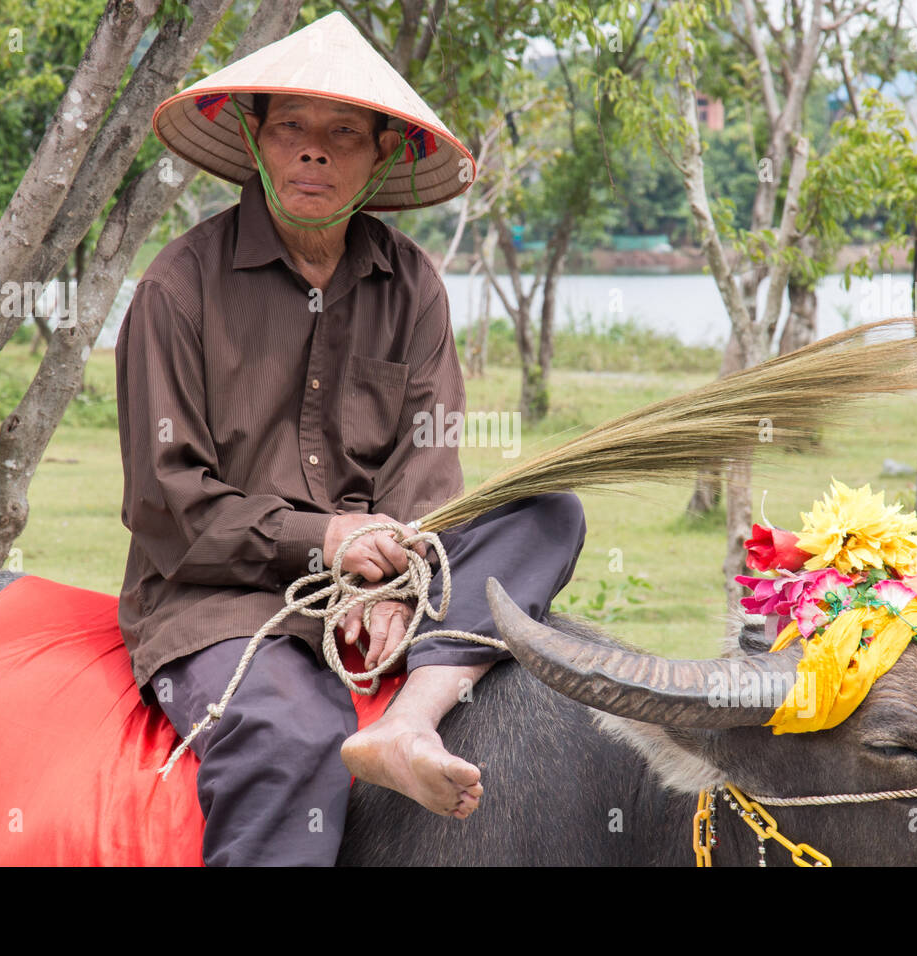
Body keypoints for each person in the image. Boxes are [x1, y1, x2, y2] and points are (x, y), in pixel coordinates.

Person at [117, 12, 585, 865]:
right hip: (221, 599)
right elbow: (165, 503)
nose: (314, 152)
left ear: (383, 156)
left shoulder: (411, 284)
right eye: (291, 127)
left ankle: (409, 722)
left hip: (386, 577)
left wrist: (396, 581)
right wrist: (326, 541)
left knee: (547, 512)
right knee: (286, 737)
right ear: (254, 138)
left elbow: (428, 463)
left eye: (343, 135)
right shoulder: (176, 289)